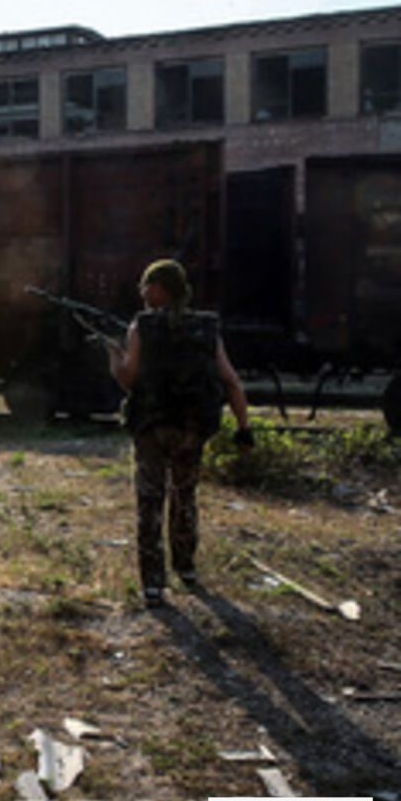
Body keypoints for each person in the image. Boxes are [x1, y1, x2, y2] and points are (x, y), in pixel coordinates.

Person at [106, 259, 252, 608]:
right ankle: (185, 568)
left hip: (152, 428)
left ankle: (153, 584)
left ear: (159, 289)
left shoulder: (141, 326)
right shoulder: (207, 327)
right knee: (185, 497)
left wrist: (113, 357)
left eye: (146, 285)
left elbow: (129, 379)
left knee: (150, 500)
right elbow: (230, 381)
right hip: (191, 428)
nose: (141, 292)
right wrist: (244, 427)